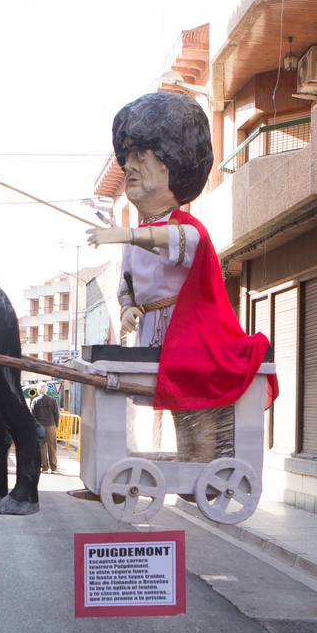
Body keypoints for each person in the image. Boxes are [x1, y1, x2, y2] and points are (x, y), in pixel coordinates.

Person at [86, 92, 273, 463]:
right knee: (175, 406)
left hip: (192, 336)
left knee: (195, 411)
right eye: (127, 157)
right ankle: (187, 460)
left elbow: (175, 241)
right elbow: (127, 287)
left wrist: (125, 234)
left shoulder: (188, 229)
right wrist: (127, 310)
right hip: (152, 334)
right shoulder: (135, 235)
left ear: (173, 165)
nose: (129, 167)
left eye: (141, 155)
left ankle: (202, 463)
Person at [31, 390, 60, 473]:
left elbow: (33, 415)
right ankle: (53, 467)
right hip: (51, 425)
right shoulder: (53, 400)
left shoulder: (35, 400)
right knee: (52, 446)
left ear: (38, 390)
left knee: (42, 447)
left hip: (40, 426)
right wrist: (56, 425)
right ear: (46, 390)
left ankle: (44, 467)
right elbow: (56, 414)